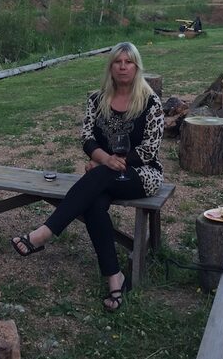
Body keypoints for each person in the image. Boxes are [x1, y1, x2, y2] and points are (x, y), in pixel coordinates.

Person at [11, 42, 165, 311]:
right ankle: (114, 279)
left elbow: (150, 148)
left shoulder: (150, 102)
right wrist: (104, 160)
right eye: (118, 62)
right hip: (104, 172)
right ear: (111, 67)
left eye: (128, 62)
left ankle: (43, 234)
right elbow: (87, 137)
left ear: (137, 66)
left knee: (97, 178)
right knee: (94, 203)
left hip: (142, 173)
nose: (123, 66)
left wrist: (111, 163)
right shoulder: (97, 99)